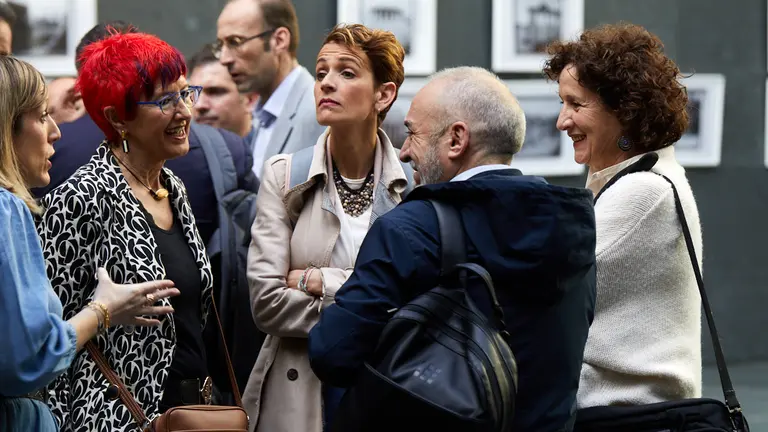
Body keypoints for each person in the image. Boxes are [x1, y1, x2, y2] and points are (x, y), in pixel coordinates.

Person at [308, 66, 598, 431]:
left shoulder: (410, 229)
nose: (405, 150)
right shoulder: (573, 229)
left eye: (413, 132)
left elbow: (331, 352)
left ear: (456, 140)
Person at [37, 32, 214, 431]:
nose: (184, 111)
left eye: (187, 94)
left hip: (190, 413)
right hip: (115, 419)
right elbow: (48, 342)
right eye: (165, 100)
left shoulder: (173, 188)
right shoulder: (82, 196)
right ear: (118, 119)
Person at [242, 23, 411, 432]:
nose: (326, 84)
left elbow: (418, 301)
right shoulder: (284, 175)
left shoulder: (414, 183)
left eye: (347, 73)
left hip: (388, 384)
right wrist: (369, 300)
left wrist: (319, 281)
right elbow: (266, 303)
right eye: (321, 73)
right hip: (302, 388)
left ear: (383, 95)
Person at [0, 56, 178, 432]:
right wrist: (103, 311)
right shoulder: (14, 209)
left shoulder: (174, 189)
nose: (56, 131)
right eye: (41, 115)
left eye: (184, 94)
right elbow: (30, 361)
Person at [543, 23, 702, 408]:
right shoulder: (632, 180)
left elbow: (548, 285)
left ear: (625, 112)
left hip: (627, 417)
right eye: (563, 103)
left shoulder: (643, 191)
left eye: (576, 104)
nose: (562, 120)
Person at [215, 0, 409, 181]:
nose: (224, 58)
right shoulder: (259, 114)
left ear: (279, 40)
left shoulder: (327, 111)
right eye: (321, 73)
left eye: (235, 42)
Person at [188, 44, 258, 138]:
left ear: (250, 99)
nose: (199, 105)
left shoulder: (272, 148)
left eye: (214, 92)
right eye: (192, 94)